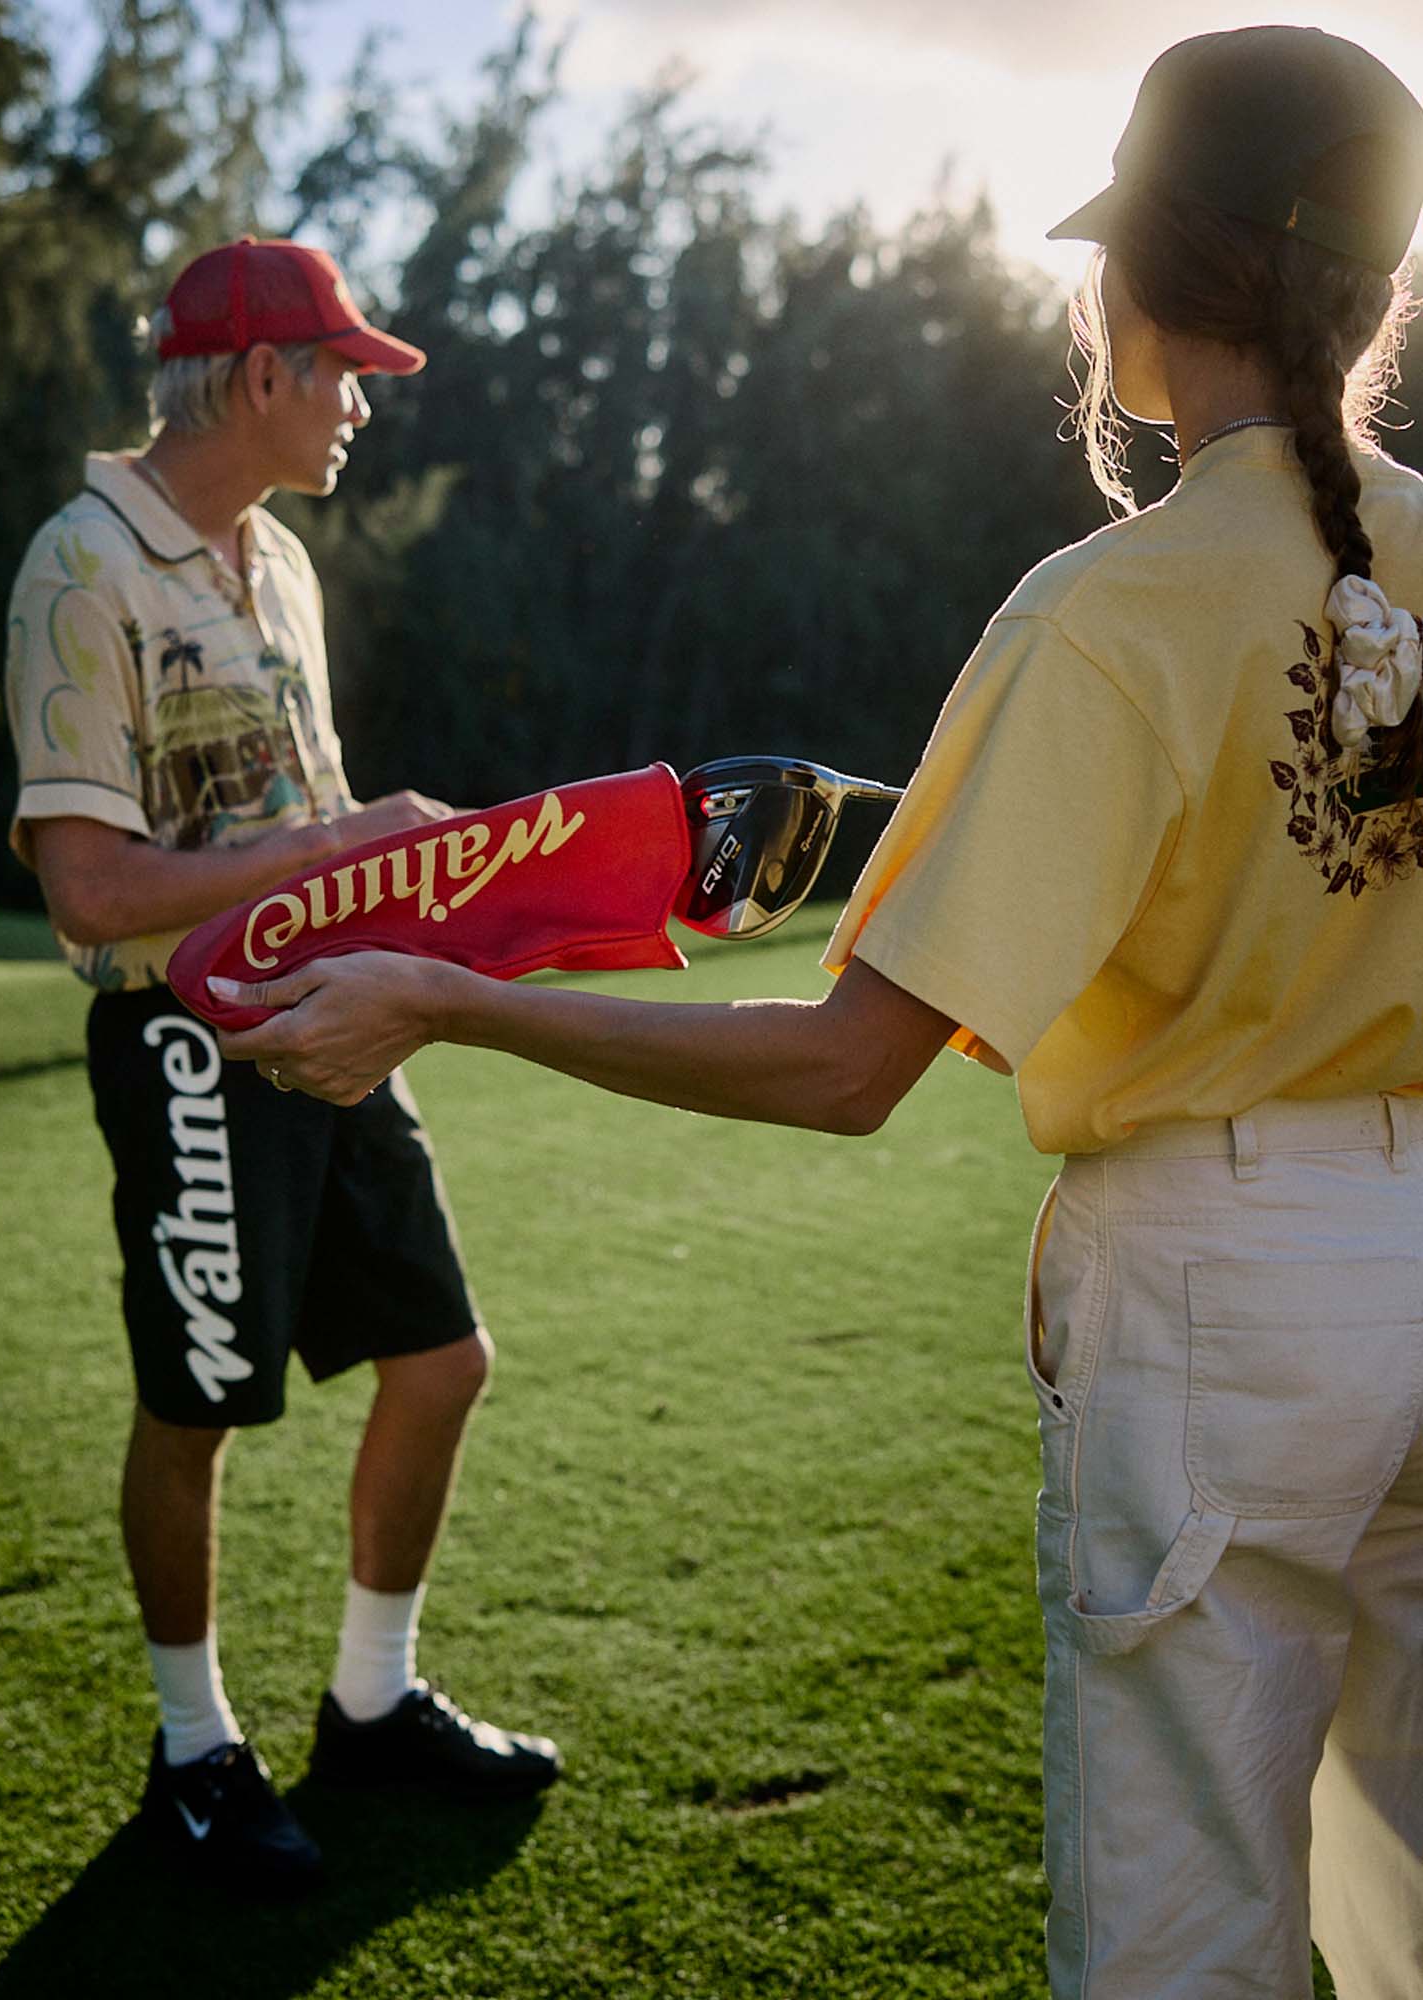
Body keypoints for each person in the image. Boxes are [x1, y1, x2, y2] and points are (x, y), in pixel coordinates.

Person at [211, 31, 1423, 1990]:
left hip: (1225, 1309)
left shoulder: (1108, 608)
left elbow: (847, 1061)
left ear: (1146, 277)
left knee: (1190, 1921)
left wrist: (444, 995)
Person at [3, 236, 560, 1897]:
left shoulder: (286, 567)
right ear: (259, 379)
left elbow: (301, 836)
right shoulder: (78, 567)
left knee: (443, 1359)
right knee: (197, 1408)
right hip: (185, 1043)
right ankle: (191, 1755)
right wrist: (343, 835)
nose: (356, 410)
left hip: (343, 1025)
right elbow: (92, 892)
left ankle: (372, 1708)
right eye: (341, 376)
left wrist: (428, 892)